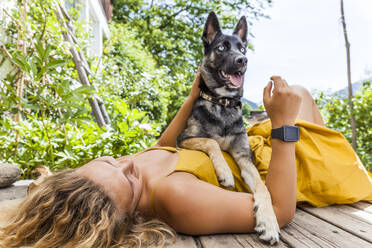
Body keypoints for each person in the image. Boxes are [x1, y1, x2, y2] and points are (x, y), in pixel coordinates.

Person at [1, 74, 371, 248]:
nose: (131, 164)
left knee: (302, 93)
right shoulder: (175, 198)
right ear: (129, 217)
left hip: (248, 149)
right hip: (282, 166)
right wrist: (284, 126)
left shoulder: (129, 171)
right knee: (307, 104)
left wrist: (196, 93)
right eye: (130, 180)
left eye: (113, 160)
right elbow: (278, 209)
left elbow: (164, 148)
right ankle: (336, 168)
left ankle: (336, 158)